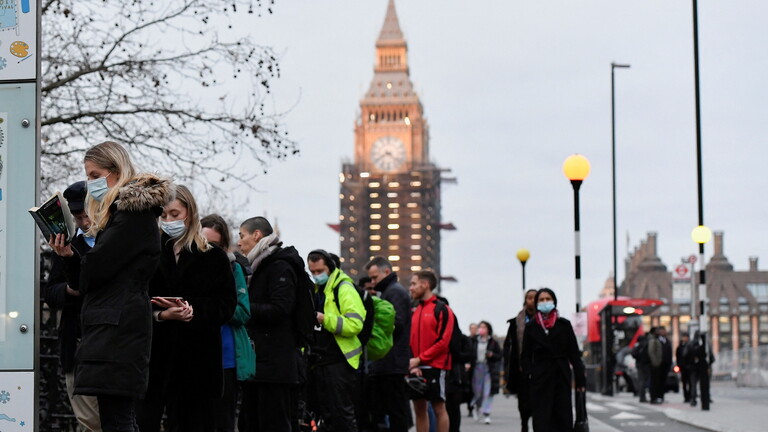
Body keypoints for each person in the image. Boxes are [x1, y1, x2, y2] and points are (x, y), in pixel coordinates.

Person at [50, 141, 174, 432]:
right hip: (113, 325)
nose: (90, 183)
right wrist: (69, 257)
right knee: (115, 417)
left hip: (118, 327)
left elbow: (95, 270)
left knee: (117, 418)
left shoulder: (132, 215)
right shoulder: (123, 216)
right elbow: (85, 278)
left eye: (95, 175)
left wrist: (79, 258)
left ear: (116, 172)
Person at [136, 185, 237, 432]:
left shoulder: (213, 256)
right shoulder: (149, 252)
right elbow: (135, 298)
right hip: (155, 360)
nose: (168, 220)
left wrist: (192, 310)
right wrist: (161, 314)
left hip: (198, 364)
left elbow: (226, 304)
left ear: (189, 214)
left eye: (174, 214)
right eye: (164, 215)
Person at [45, 181, 102, 432]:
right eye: (78, 217)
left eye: (87, 215)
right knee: (88, 420)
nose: (85, 223)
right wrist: (69, 290)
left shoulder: (113, 243)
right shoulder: (66, 244)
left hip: (109, 343)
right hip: (77, 342)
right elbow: (51, 291)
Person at [237, 216, 302, 432]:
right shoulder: (259, 266)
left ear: (257, 235)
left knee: (272, 423)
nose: (239, 242)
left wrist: (244, 307)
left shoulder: (279, 266)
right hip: (260, 364)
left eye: (242, 235)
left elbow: (281, 309)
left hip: (275, 367)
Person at [201, 214, 256, 431]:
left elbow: (243, 312)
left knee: (223, 419)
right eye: (205, 244)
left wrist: (215, 305)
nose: (209, 250)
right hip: (197, 357)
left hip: (226, 360)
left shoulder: (234, 269)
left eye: (214, 245)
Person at [306, 249, 366, 431]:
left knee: (343, 416)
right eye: (312, 272)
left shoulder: (344, 288)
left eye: (319, 271)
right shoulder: (318, 290)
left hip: (339, 362)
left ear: (330, 269)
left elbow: (355, 324)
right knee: (327, 417)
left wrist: (326, 320)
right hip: (320, 362)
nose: (316, 276)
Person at [520, 288, 586, 432]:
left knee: (563, 419)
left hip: (561, 375)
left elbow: (574, 355)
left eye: (548, 299)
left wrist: (580, 380)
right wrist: (530, 375)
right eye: (541, 300)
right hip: (540, 378)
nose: (545, 302)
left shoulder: (564, 325)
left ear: (554, 301)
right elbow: (525, 356)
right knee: (542, 420)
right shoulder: (531, 327)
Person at [365, 256, 412, 432]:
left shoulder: (394, 292)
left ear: (387, 272)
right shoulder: (391, 291)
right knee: (391, 410)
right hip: (390, 362)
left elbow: (396, 324)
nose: (372, 281)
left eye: (375, 277)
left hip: (391, 362)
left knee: (395, 411)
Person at [409, 270, 454, 432]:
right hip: (416, 367)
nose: (411, 288)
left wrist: (420, 359)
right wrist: (413, 364)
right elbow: (409, 340)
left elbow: (443, 342)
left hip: (435, 366)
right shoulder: (415, 311)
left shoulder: (442, 309)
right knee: (419, 410)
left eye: (414, 284)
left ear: (425, 284)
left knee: (439, 408)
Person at [504, 289, 537, 432]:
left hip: (540, 367)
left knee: (539, 401)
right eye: (529, 298)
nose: (532, 300)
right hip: (522, 368)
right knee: (524, 401)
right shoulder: (516, 322)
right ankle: (524, 424)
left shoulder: (545, 320)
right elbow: (508, 346)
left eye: (535, 298)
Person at [469, 321, 502, 424]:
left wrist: (492, 355)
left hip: (488, 368)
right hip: (476, 368)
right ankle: (477, 407)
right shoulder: (474, 341)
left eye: (484, 327)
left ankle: (486, 413)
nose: (481, 329)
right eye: (480, 327)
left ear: (488, 329)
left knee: (487, 392)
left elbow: (499, 356)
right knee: (478, 391)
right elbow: (469, 354)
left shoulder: (493, 342)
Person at [687, 330, 714, 410]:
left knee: (694, 384)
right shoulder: (705, 345)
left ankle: (693, 399)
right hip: (702, 367)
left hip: (694, 368)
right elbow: (710, 356)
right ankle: (705, 398)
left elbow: (686, 356)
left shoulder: (691, 344)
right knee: (705, 384)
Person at [648, 326, 672, 404]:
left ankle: (661, 397)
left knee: (663, 382)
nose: (662, 332)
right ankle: (655, 397)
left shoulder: (667, 341)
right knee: (655, 382)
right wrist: (655, 362)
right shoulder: (655, 340)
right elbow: (651, 351)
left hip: (665, 364)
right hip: (657, 365)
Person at [632, 329, 653, 402]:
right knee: (647, 381)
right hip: (646, 365)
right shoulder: (647, 344)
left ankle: (642, 397)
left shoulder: (638, 345)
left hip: (639, 365)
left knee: (641, 381)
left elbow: (633, 354)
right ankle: (647, 396)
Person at [465, 322, 479, 418]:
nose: (474, 330)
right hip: (470, 367)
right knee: (470, 388)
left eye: (475, 328)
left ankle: (479, 406)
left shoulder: (480, 341)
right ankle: (470, 407)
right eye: (472, 328)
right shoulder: (467, 340)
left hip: (479, 367)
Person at [676, 333, 692, 403]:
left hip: (690, 367)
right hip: (683, 368)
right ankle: (686, 397)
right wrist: (679, 365)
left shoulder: (690, 346)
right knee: (684, 383)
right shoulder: (680, 347)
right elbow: (678, 357)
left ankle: (690, 396)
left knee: (690, 383)